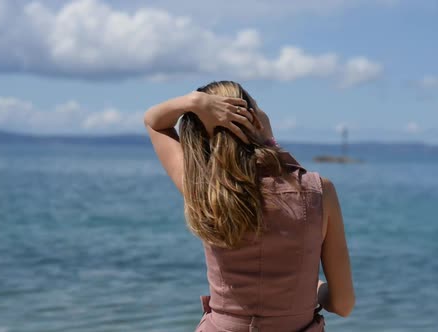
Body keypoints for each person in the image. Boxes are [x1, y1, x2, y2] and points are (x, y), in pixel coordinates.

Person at [144, 81, 355, 331]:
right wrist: (316, 288)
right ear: (255, 119)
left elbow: (154, 121)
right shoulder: (319, 192)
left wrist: (194, 103)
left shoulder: (204, 191)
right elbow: (343, 304)